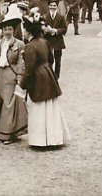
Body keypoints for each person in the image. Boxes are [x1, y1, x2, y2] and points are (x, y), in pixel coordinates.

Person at [21, 16, 70, 147]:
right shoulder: (44, 42)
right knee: (50, 106)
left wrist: (22, 84)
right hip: (48, 73)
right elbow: (51, 59)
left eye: (25, 30)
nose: (23, 32)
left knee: (39, 108)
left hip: (37, 77)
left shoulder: (30, 46)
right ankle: (54, 137)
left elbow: (29, 69)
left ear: (29, 31)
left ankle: (40, 140)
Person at [0, 17, 28, 144]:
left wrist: (19, 79)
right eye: (5, 29)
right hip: (0, 75)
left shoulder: (19, 44)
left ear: (13, 30)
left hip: (11, 75)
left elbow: (21, 63)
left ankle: (8, 134)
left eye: (10, 29)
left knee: (9, 104)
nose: (7, 32)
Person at [42, 1, 67, 79]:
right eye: (51, 5)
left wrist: (56, 31)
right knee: (48, 59)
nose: (53, 7)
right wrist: (44, 30)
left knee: (58, 60)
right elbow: (40, 28)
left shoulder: (61, 17)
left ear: (56, 7)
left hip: (57, 41)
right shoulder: (44, 17)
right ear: (49, 6)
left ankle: (56, 76)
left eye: (54, 5)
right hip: (47, 41)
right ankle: (49, 75)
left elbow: (64, 29)